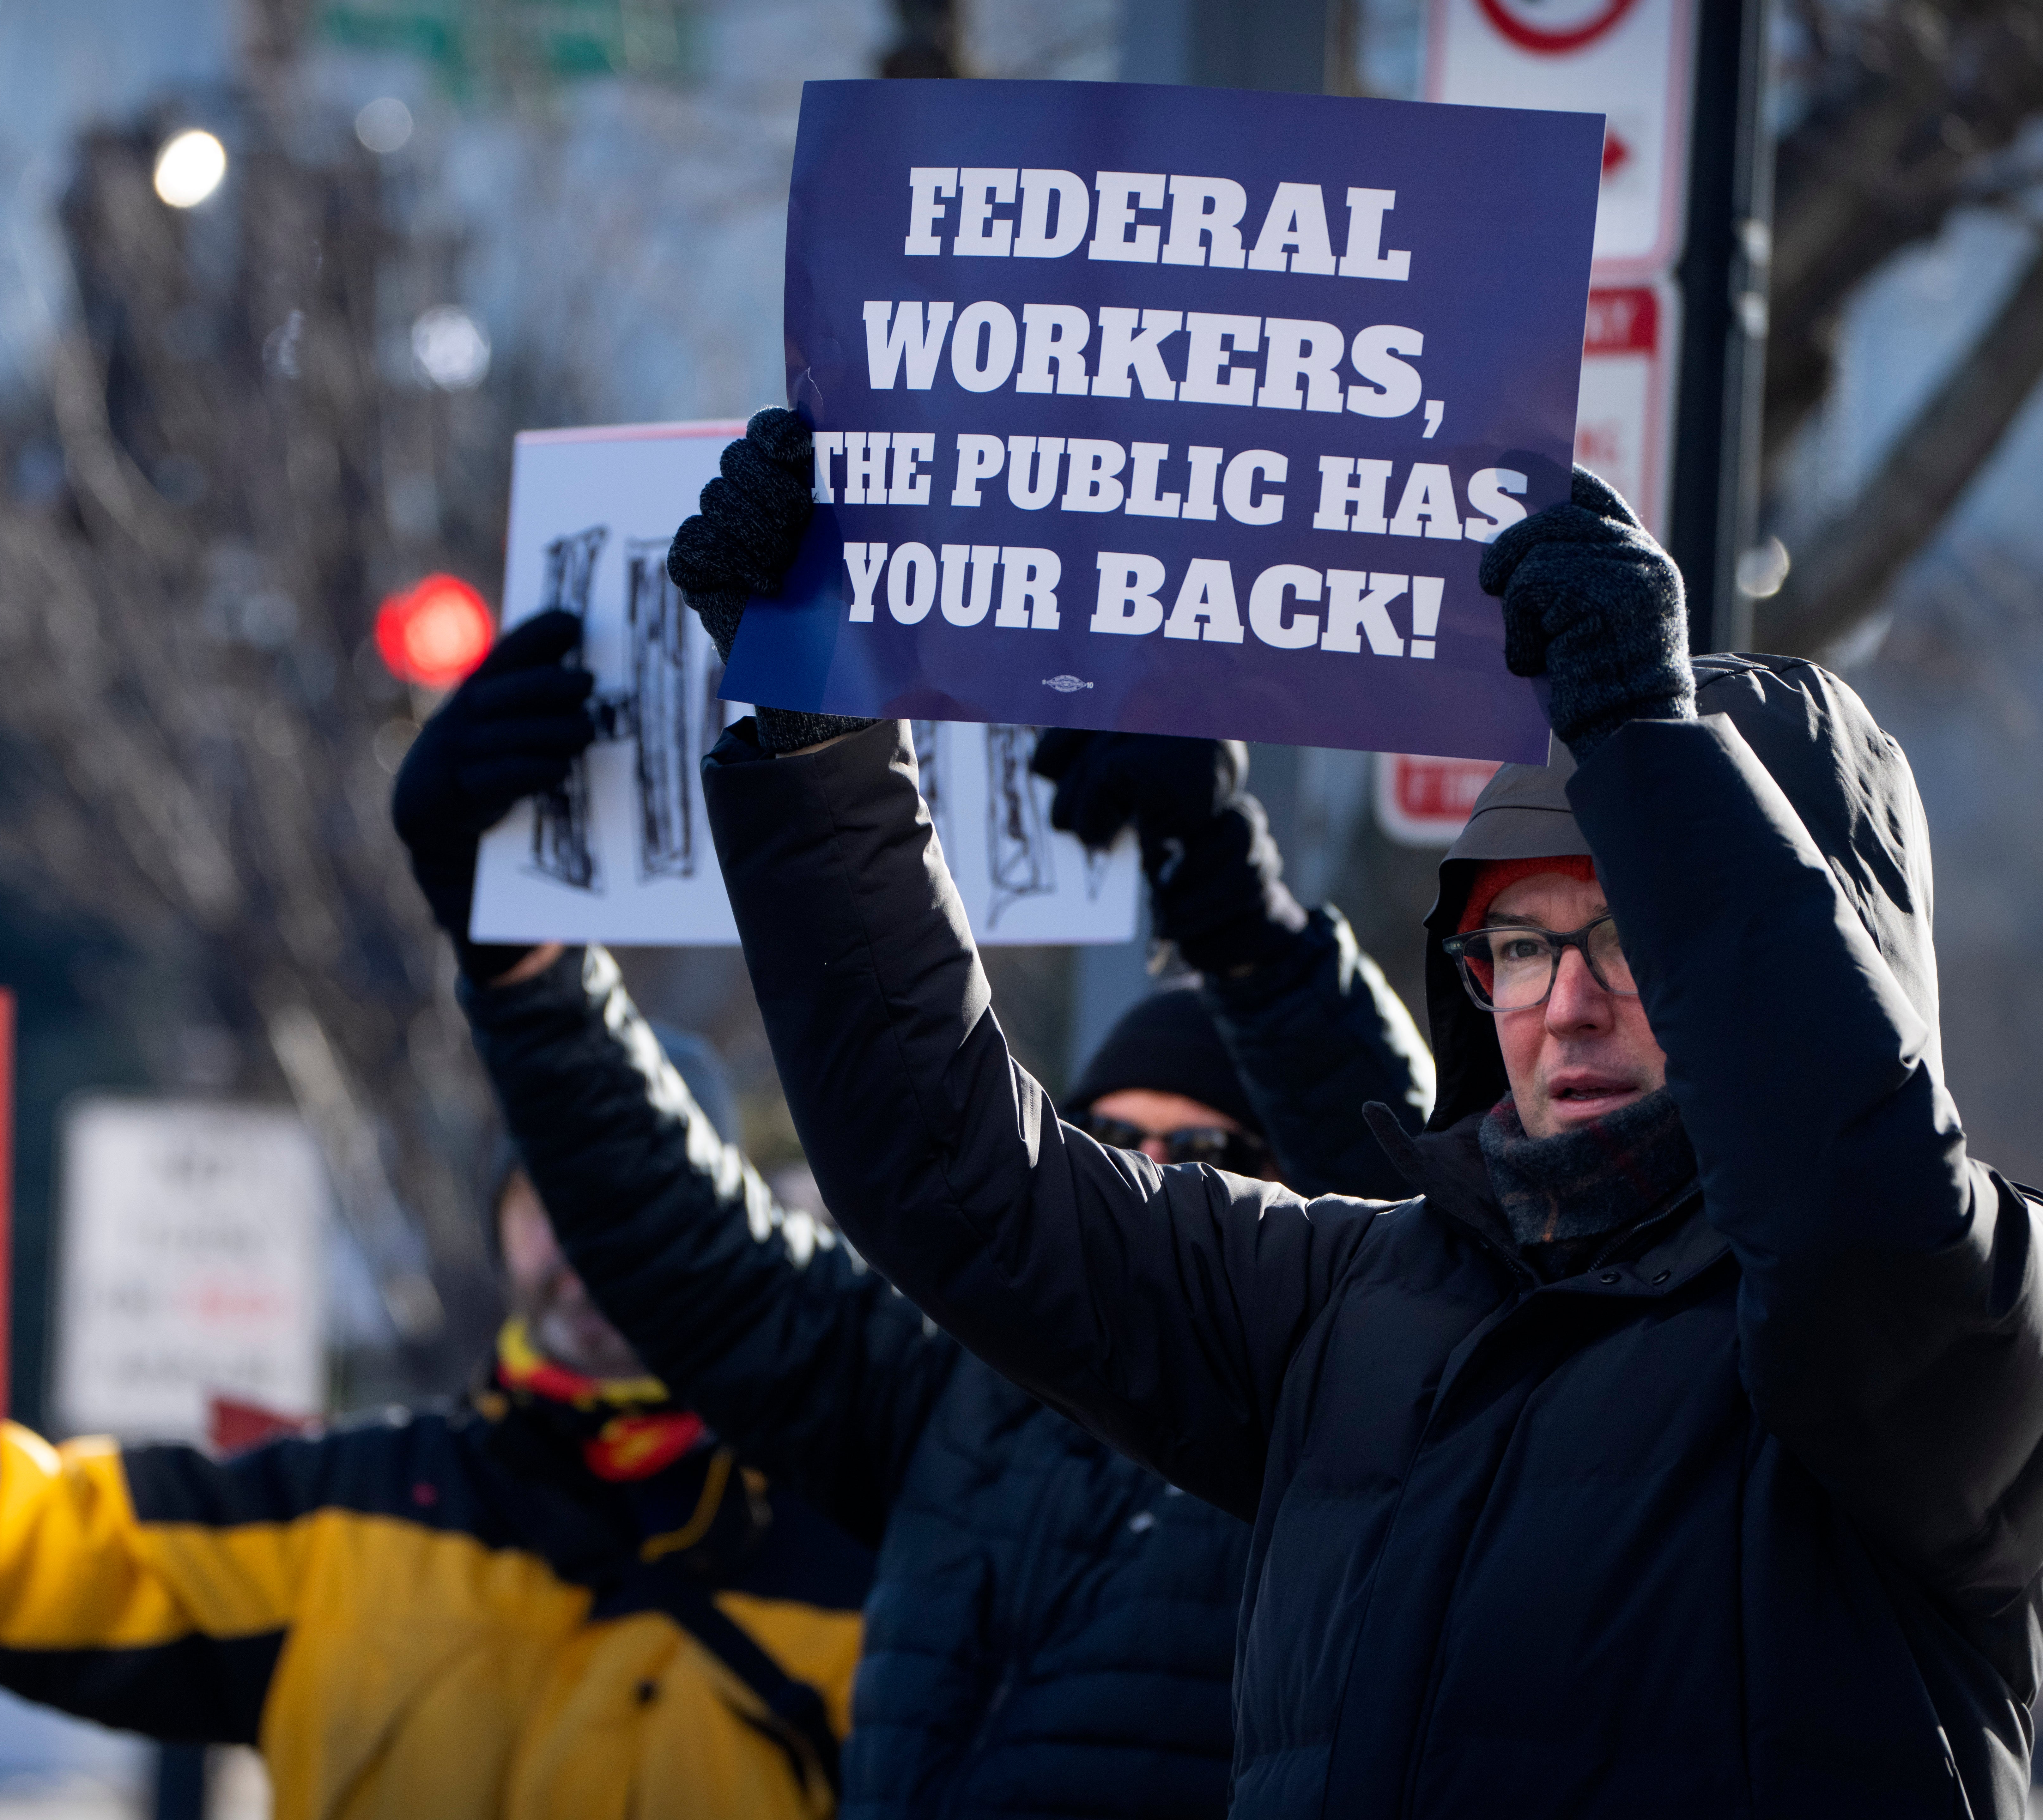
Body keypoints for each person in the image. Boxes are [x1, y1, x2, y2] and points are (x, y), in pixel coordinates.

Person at [666, 409, 2043, 1816]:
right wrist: (814, 724)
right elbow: (955, 1180)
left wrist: (1646, 743)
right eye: (1518, 943)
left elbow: (1842, 1207)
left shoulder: (1968, 1329)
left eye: (1632, 933)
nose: (1562, 1003)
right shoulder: (1354, 1302)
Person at [391, 611, 1432, 1817]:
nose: (1144, 1175)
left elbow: (1412, 1200)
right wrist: (517, 955)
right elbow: (692, 1252)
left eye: (1198, 1152)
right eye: (1110, 1140)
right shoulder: (950, 1390)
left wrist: (1231, 905)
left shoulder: (1355, 1425)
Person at [0, 1106, 871, 1820]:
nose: (589, 1251)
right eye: (550, 1201)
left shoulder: (864, 1553)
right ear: (503, 1227)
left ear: (735, 1234)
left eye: (644, 1207)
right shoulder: (351, 1508)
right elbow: (44, 1543)